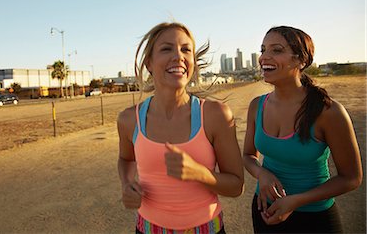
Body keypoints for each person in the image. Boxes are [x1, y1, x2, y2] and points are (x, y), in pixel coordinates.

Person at [117, 22, 244, 234]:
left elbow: (236, 186)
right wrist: (127, 183)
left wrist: (199, 173)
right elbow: (126, 159)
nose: (178, 56)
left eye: (186, 49)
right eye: (166, 49)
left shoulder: (215, 115)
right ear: (149, 63)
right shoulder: (129, 119)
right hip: (147, 229)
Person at [243, 26, 363, 233]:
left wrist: (296, 201)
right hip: (265, 211)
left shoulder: (329, 112)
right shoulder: (257, 106)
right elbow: (247, 155)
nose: (264, 57)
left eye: (277, 50)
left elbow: (351, 178)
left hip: (315, 217)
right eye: (263, 50)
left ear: (301, 60)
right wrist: (261, 173)